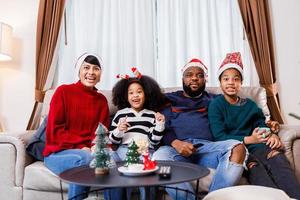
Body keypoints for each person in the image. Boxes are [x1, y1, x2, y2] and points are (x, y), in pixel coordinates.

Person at [208, 52, 300, 199]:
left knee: (277, 156)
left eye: (235, 79)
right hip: (237, 152)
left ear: (241, 83)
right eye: (226, 79)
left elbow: (261, 124)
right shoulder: (216, 105)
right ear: (220, 83)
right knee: (255, 168)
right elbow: (219, 137)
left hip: (258, 147)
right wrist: (249, 139)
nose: (231, 82)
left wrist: (272, 134)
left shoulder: (250, 105)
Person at [153, 58, 247, 200]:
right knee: (158, 159)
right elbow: (161, 126)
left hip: (207, 150)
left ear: (205, 80)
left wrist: (267, 123)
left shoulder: (215, 99)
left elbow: (242, 113)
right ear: (183, 79)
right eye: (189, 75)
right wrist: (176, 143)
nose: (194, 78)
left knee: (239, 148)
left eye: (200, 75)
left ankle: (214, 198)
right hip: (175, 150)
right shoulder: (169, 99)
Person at [43, 53, 123, 200]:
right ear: (79, 71)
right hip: (59, 153)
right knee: (85, 159)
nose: (91, 72)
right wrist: (81, 146)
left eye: (96, 68)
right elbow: (55, 130)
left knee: (115, 160)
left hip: (90, 150)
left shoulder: (101, 100)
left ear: (100, 74)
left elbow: (101, 133)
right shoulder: (63, 92)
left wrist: (97, 148)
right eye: (86, 67)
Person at [109, 68, 166, 200]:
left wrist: (159, 124)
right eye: (131, 93)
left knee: (148, 178)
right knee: (124, 173)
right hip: (124, 150)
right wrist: (119, 130)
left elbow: (155, 141)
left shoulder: (152, 115)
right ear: (126, 96)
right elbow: (113, 140)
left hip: (146, 151)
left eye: (139, 92)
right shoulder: (120, 114)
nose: (135, 95)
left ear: (146, 94)